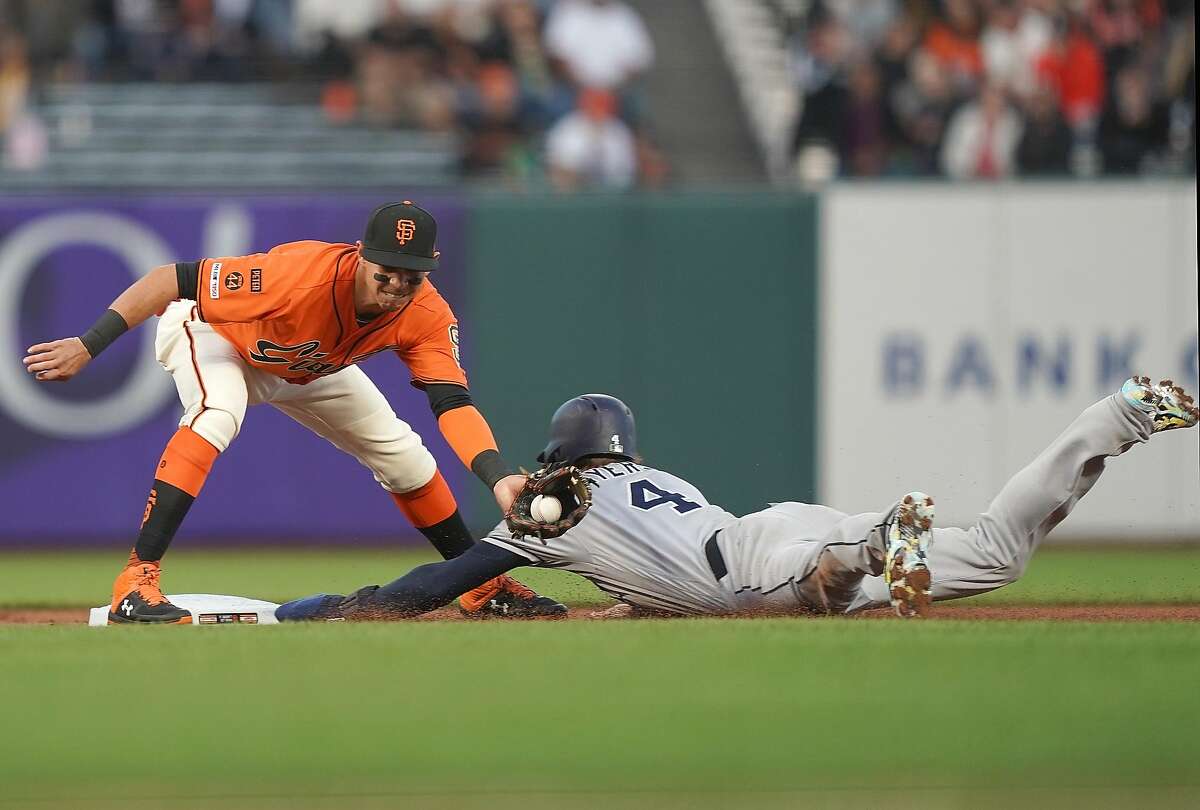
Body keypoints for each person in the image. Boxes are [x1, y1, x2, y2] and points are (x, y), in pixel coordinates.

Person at [23, 201, 565, 623]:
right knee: (217, 412)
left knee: (404, 457)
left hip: (309, 364)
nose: (398, 284)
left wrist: (495, 478)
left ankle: (478, 585)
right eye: (387, 270)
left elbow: (451, 401)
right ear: (360, 255)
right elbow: (169, 280)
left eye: (412, 273)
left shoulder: (424, 312)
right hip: (218, 337)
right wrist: (89, 344)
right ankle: (135, 584)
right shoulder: (298, 276)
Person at [275, 377, 1198, 622]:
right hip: (765, 523)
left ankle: (873, 545)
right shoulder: (653, 477)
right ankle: (1113, 417)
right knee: (996, 554)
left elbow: (441, 584)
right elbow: (640, 577)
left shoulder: (549, 515)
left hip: (756, 568)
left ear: (557, 455)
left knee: (805, 585)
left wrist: (346, 607)